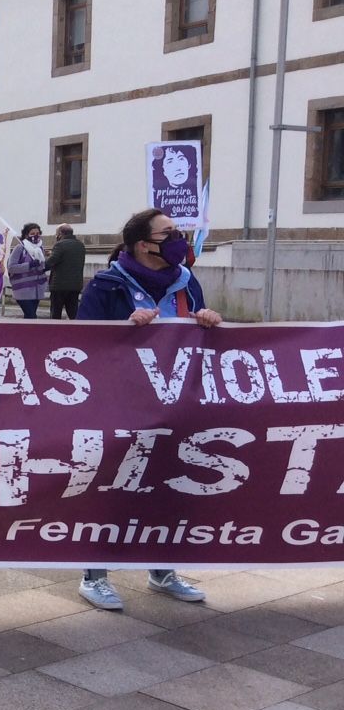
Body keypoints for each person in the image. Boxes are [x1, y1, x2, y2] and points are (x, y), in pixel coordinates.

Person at [74, 207, 221, 611]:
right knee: (113, 490)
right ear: (144, 245)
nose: (178, 239)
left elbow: (199, 337)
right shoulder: (106, 286)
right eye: (169, 233)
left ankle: (163, 569)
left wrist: (208, 321)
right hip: (119, 408)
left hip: (175, 407)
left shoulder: (186, 284)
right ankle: (95, 575)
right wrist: (123, 328)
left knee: (171, 487)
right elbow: (80, 347)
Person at [46, 223, 87, 319]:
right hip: (75, 285)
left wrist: (41, 264)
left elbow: (51, 262)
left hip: (59, 286)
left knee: (56, 314)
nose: (56, 236)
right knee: (74, 314)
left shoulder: (59, 244)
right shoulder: (80, 245)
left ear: (60, 233)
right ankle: (76, 332)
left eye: (56, 234)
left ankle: (55, 333)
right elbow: (68, 259)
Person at [8, 223, 48, 319]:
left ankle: (25, 333)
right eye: (32, 233)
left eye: (38, 233)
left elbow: (41, 267)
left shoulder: (40, 248)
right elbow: (11, 267)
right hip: (23, 290)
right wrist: (29, 265)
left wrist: (45, 266)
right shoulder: (20, 248)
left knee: (29, 318)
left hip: (37, 290)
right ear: (26, 235)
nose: (36, 235)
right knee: (32, 316)